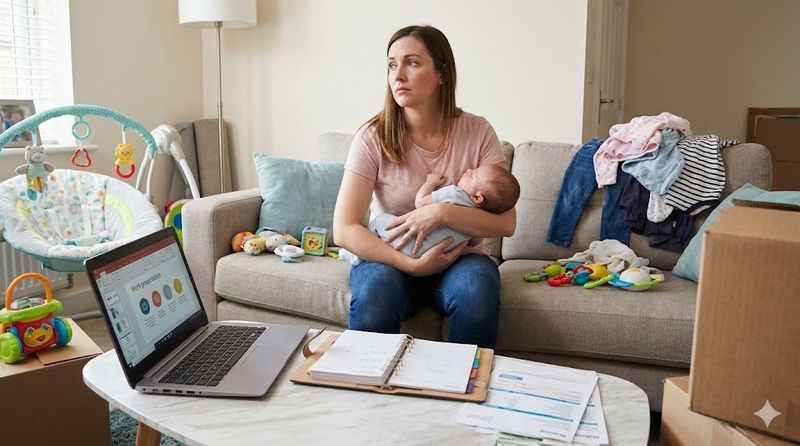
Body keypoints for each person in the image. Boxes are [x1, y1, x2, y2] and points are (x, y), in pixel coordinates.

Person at [333, 25, 517, 349]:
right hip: (392, 257)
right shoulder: (372, 137)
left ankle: (465, 394)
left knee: (477, 292)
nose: (398, 75)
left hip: (461, 260)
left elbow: (506, 222)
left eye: (412, 63)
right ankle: (366, 395)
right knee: (374, 295)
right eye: (392, 65)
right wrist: (411, 265)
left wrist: (442, 213)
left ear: (441, 74)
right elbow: (345, 229)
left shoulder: (477, 131)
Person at [341, 165, 519, 263]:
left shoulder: (454, 194)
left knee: (381, 221)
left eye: (473, 176)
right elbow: (472, 242)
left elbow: (421, 202)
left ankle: (357, 254)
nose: (469, 170)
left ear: (477, 197)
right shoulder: (478, 221)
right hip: (437, 256)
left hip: (405, 242)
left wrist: (431, 182)